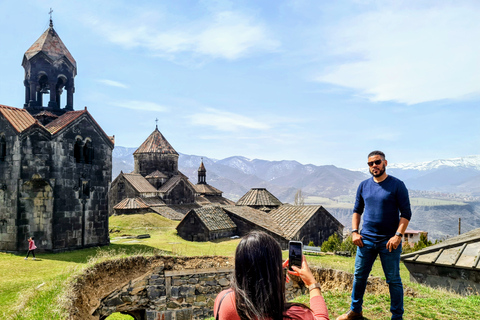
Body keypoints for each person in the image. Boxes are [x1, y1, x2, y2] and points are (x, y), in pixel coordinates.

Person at [337, 151, 411, 320]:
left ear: (385, 162)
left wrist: (398, 235)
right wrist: (354, 232)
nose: (374, 166)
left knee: (393, 280)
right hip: (366, 240)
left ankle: (397, 317)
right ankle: (355, 311)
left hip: (389, 242)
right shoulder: (363, 185)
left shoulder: (397, 185)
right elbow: (357, 211)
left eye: (377, 162)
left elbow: (406, 213)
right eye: (370, 164)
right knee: (359, 276)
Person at [214, 231, 330, 320]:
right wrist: (312, 284)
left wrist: (272, 276)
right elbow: (321, 317)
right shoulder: (294, 315)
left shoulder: (223, 300)